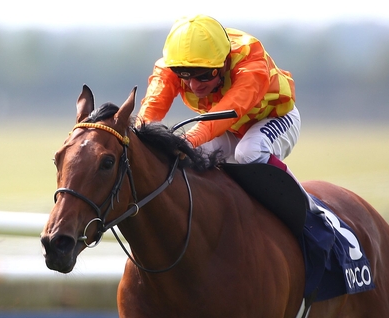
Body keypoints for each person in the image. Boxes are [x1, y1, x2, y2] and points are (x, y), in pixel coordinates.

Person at [136, 14, 324, 219]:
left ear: (225, 62)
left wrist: (185, 141)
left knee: (249, 152)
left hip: (275, 118)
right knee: (191, 155)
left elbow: (222, 115)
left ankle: (309, 211)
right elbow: (149, 113)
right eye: (184, 74)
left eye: (205, 75)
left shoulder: (251, 64)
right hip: (230, 128)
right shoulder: (172, 65)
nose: (193, 85)